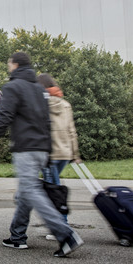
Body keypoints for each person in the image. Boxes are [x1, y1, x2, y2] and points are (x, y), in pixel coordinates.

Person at [0, 52, 84, 257]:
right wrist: (49, 151)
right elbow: (46, 121)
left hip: (26, 149)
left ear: (15, 64)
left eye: (9, 63)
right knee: (27, 192)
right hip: (42, 148)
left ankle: (66, 235)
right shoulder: (39, 89)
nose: (8, 67)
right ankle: (17, 237)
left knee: (31, 192)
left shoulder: (12, 87)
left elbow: (3, 119)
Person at [37, 73, 82, 227]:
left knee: (53, 191)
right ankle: (59, 224)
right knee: (54, 187)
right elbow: (71, 130)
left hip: (50, 154)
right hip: (65, 152)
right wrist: (75, 154)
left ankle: (61, 226)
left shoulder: (41, 104)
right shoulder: (65, 104)